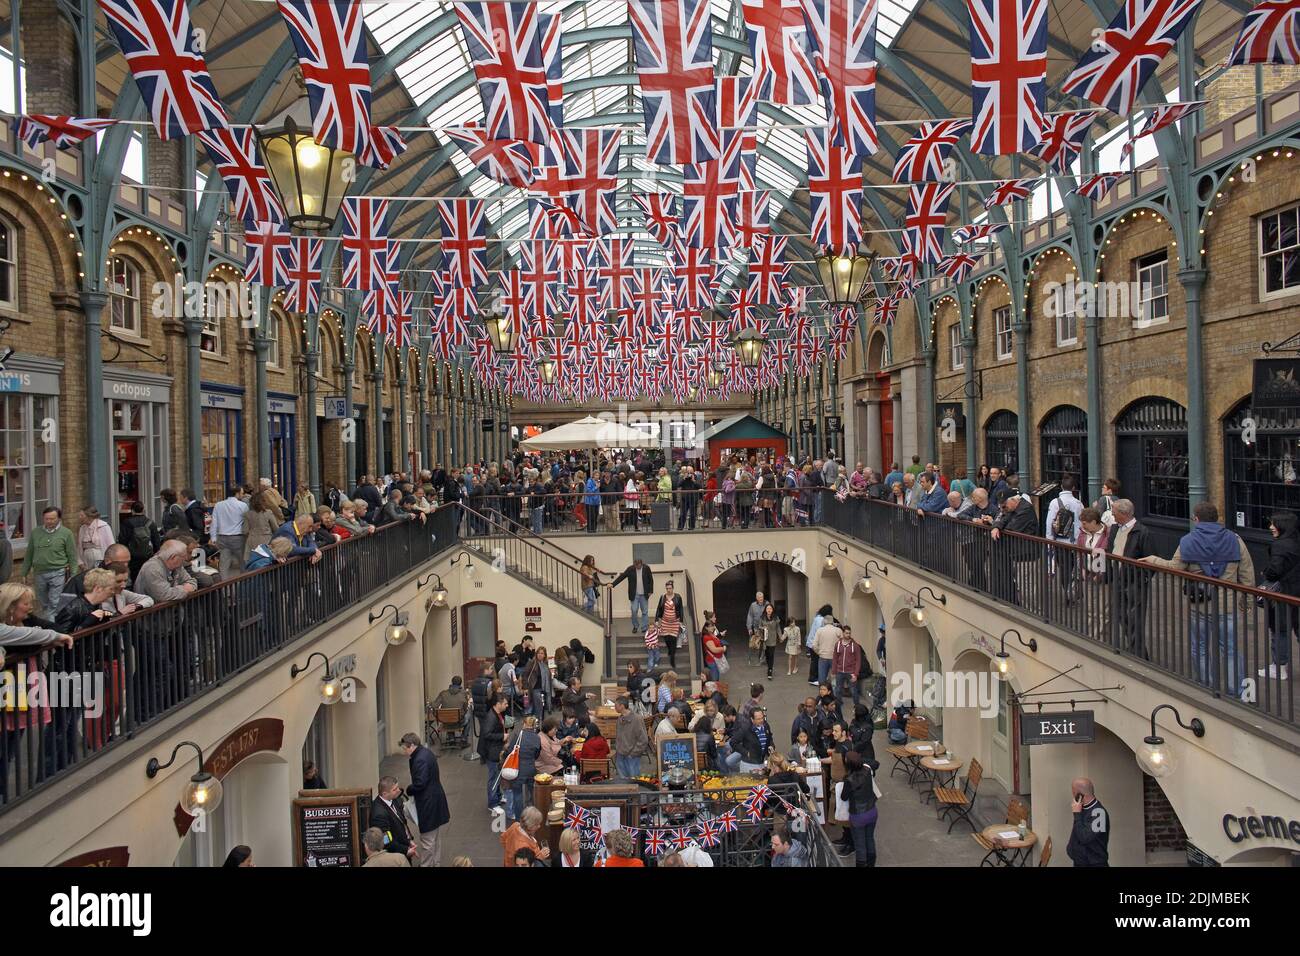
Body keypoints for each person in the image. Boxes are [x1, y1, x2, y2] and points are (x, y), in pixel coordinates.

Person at [1142, 502, 1255, 694]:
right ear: (1217, 518)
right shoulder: (1235, 540)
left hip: (1200, 604)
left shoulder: (1188, 540)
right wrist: (1248, 601)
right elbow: (1247, 573)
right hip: (1227, 604)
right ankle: (1236, 691)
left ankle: (1205, 685)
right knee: (1231, 650)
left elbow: (1174, 567)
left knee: (1200, 647)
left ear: (1196, 519)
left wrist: (1152, 559)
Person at [1104, 499, 1155, 660]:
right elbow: (1109, 550)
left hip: (1134, 583)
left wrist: (1142, 579)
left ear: (1124, 514)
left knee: (1135, 618)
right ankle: (1136, 648)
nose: (1112, 514)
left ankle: (1138, 653)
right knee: (1121, 615)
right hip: (1118, 580)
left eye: (1115, 512)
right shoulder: (1114, 529)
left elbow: (1150, 558)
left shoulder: (1142, 532)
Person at [400, 731, 450, 867]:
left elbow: (420, 784)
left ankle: (427, 864)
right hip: (435, 799)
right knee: (435, 838)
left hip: (428, 803)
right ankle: (436, 863)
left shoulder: (419, 759)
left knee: (428, 840)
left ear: (411, 746)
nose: (404, 752)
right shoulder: (425, 753)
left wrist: (409, 789)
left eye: (405, 748)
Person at [1260, 511, 1300, 679]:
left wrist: (1265, 573)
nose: (1271, 527)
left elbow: (1275, 570)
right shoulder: (1296, 542)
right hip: (1296, 593)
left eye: (1274, 524)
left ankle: (1279, 667)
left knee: (1279, 629)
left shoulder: (1280, 545)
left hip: (1283, 593)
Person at [22, 508, 79, 616]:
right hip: (39, 572)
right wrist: (24, 572)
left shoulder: (66, 533)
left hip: (58, 571)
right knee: (43, 602)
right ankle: (50, 623)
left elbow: (72, 555)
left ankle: (52, 628)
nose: (49, 521)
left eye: (52, 519)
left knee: (54, 602)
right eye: (46, 519)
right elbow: (29, 554)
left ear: (59, 519)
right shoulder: (36, 532)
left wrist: (73, 574)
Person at [840, 750, 878, 867]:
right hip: (872, 811)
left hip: (858, 816)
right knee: (870, 839)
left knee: (860, 845)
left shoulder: (848, 780)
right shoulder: (867, 771)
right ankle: (871, 864)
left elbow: (843, 797)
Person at [53, 568, 117, 633]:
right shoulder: (72, 608)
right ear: (98, 589)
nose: (113, 592)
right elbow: (61, 637)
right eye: (111, 589)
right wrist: (86, 624)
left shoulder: (96, 605)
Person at [134, 540, 199, 604]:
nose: (186, 558)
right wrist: (184, 589)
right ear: (173, 557)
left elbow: (192, 581)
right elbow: (163, 595)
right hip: (153, 613)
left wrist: (185, 588)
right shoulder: (152, 568)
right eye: (183, 556)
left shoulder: (177, 566)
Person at [208, 486, 250, 581]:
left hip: (222, 537)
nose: (243, 495)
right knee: (243, 563)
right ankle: (245, 585)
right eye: (242, 493)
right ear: (237, 493)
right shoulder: (243, 506)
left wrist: (213, 538)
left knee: (223, 565)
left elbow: (214, 522)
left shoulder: (219, 505)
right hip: (238, 537)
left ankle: (223, 589)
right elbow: (246, 522)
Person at [1067, 777, 1109, 867]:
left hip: (1093, 863)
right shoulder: (1082, 808)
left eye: (1073, 793)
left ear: (1080, 795)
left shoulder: (1099, 813)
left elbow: (1085, 837)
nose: (1073, 796)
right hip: (1081, 862)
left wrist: (1077, 815)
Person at [478, 695, 509, 813]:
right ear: (498, 704)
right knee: (494, 777)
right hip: (492, 751)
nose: (506, 706)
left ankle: (498, 797)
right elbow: (487, 734)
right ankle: (492, 803)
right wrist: (502, 736)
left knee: (497, 775)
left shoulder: (496, 714)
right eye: (505, 704)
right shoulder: (491, 717)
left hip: (496, 749)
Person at [608, 557, 653, 635]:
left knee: (645, 612)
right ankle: (635, 626)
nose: (637, 567)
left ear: (641, 564)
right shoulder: (630, 569)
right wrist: (613, 584)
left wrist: (650, 591)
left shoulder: (646, 568)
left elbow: (651, 580)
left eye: (639, 565)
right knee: (634, 610)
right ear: (634, 564)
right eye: (636, 565)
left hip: (644, 594)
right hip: (634, 594)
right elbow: (622, 577)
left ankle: (644, 627)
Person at [613, 696, 649, 779]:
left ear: (622, 706)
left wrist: (633, 754)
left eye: (616, 706)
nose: (614, 708)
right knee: (622, 783)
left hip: (632, 757)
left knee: (634, 782)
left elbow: (643, 740)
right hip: (620, 756)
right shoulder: (620, 719)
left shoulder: (637, 719)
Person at [653, 579, 685, 670]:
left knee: (673, 639)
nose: (668, 590)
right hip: (665, 622)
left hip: (675, 622)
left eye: (670, 588)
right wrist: (656, 620)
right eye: (667, 588)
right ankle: (670, 650)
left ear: (673, 588)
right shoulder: (663, 597)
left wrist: (681, 620)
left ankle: (672, 659)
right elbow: (659, 609)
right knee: (666, 638)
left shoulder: (678, 597)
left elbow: (681, 609)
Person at [241, 491, 280, 565]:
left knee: (252, 563)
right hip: (266, 541)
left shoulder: (247, 514)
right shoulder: (268, 513)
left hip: (252, 541)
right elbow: (276, 528)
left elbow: (244, 531)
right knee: (266, 563)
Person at [832, 625, 863, 707]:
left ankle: (857, 706)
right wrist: (834, 671)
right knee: (838, 690)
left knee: (853, 690)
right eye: (846, 633)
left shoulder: (855, 646)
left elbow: (858, 660)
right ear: (843, 633)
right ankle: (838, 705)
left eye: (849, 633)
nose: (848, 635)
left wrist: (855, 674)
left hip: (851, 672)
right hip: (839, 671)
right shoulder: (837, 644)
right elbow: (835, 658)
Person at [76, 506, 115, 571]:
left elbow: (111, 545)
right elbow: (79, 547)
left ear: (89, 516)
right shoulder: (82, 528)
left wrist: (109, 561)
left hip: (101, 559)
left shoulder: (104, 526)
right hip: (87, 562)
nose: (79, 517)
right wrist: (80, 562)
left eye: (82, 515)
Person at [813, 614, 843, 686]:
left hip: (823, 657)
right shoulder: (838, 630)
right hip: (835, 658)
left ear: (824, 621)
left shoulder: (819, 631)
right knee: (835, 679)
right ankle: (835, 694)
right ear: (832, 621)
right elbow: (843, 644)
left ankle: (823, 694)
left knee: (822, 680)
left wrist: (819, 652)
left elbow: (814, 646)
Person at [759, 603, 781, 679]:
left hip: (773, 639)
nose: (769, 610)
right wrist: (763, 628)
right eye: (767, 609)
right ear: (765, 610)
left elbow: (778, 628)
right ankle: (769, 666)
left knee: (771, 654)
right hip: (765, 639)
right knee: (767, 654)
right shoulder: (762, 617)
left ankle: (770, 670)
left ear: (772, 610)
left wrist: (780, 636)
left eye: (770, 609)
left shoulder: (775, 617)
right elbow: (759, 626)